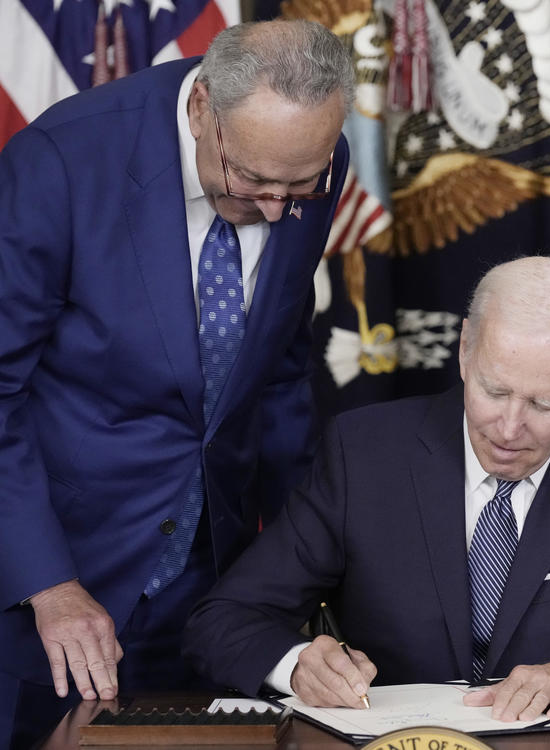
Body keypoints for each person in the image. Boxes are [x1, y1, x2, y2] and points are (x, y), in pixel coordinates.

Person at [183, 256, 550, 720]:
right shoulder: (364, 453)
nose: (510, 428)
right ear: (463, 351)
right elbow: (224, 619)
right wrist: (295, 663)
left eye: (546, 403)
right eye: (493, 389)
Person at [0, 19, 355, 748]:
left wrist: (303, 560)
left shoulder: (312, 157)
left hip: (211, 582)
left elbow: (280, 365)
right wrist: (48, 585)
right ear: (202, 112)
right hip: (59, 577)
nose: (276, 208)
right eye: (253, 179)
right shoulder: (63, 161)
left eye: (300, 187)